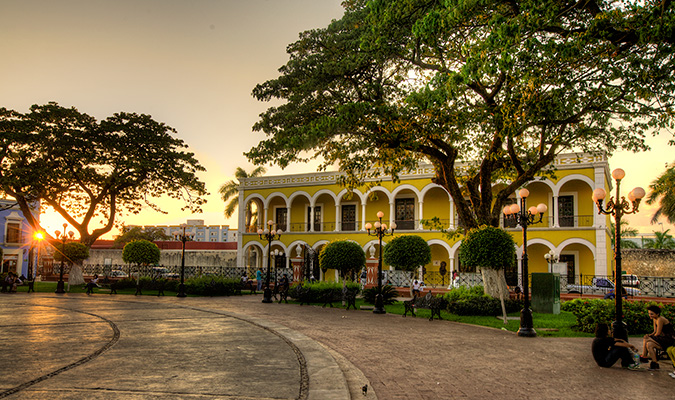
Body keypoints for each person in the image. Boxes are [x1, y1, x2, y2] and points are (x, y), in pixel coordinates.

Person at [639, 305, 675, 370]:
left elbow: (658, 333)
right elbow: (654, 332)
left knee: (647, 339)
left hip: (669, 339)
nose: (650, 315)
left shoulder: (660, 319)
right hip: (662, 339)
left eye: (652, 314)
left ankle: (644, 355)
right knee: (649, 344)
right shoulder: (654, 319)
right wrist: (649, 335)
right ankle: (654, 363)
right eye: (649, 314)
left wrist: (650, 338)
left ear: (657, 314)